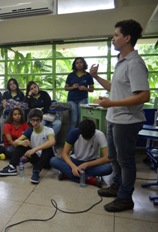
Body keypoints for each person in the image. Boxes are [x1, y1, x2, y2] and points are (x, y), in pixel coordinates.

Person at [89, 19, 150, 212]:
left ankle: (125, 198)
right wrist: (96, 77)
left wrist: (111, 103)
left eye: (116, 35)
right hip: (114, 118)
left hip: (127, 121)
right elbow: (115, 87)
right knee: (114, 157)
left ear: (127, 38)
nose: (113, 39)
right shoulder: (121, 62)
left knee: (125, 160)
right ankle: (116, 186)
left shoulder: (135, 63)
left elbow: (143, 95)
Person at [0, 109, 55, 184]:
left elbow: (52, 142)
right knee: (21, 146)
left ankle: (36, 171)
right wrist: (22, 142)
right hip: (36, 159)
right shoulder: (30, 130)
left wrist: (34, 149)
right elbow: (16, 142)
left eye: (37, 120)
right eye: (33, 120)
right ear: (30, 121)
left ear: (41, 120)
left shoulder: (49, 130)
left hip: (47, 161)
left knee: (48, 147)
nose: (35, 122)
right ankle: (12, 167)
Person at [50, 119, 112, 187]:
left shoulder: (99, 135)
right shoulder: (74, 133)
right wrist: (73, 167)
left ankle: (68, 175)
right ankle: (88, 179)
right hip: (75, 161)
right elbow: (64, 154)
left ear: (94, 131)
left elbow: (107, 158)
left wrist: (87, 164)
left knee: (108, 168)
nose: (87, 139)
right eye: (84, 137)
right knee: (53, 160)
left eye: (89, 137)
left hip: (91, 163)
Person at [65, 57, 94, 131]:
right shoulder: (71, 75)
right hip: (72, 100)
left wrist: (85, 88)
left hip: (83, 99)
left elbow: (92, 89)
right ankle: (70, 139)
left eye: (80, 62)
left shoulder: (88, 75)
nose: (79, 64)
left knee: (81, 120)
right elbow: (65, 88)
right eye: (77, 63)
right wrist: (72, 87)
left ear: (84, 63)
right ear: (74, 65)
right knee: (74, 120)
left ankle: (82, 137)